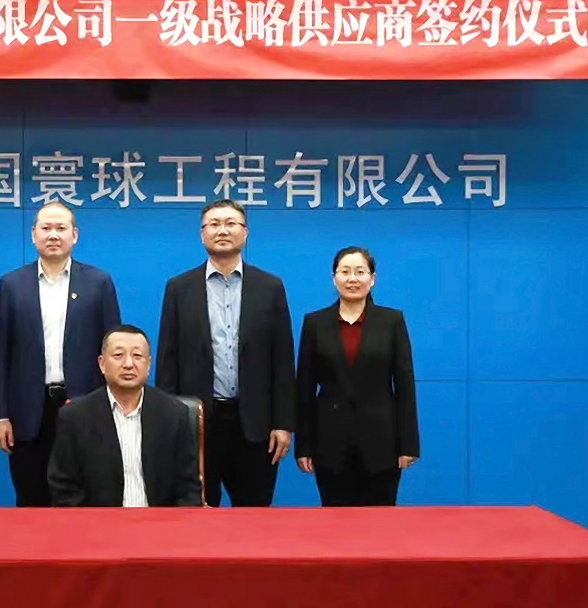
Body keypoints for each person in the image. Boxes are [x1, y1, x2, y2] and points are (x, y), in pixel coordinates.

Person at [156, 199, 295, 507]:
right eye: (214, 224)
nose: (222, 230)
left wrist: (283, 423)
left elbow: (283, 361)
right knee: (197, 516)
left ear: (245, 232)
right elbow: (168, 360)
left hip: (255, 425)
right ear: (202, 234)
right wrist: (169, 423)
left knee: (254, 516)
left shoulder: (270, 287)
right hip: (198, 423)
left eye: (231, 223)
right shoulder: (179, 288)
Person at [0, 201, 121, 506]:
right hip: (27, 413)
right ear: (33, 234)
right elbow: (0, 356)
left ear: (74, 235)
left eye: (61, 228)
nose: (53, 235)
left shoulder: (98, 283)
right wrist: (1, 415)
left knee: (83, 500)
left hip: (84, 407)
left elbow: (114, 351)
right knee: (31, 501)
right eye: (46, 228)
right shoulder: (11, 285)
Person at [295, 246, 420, 507]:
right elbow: (304, 389)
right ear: (334, 278)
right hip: (330, 442)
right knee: (335, 521)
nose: (352, 279)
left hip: (382, 443)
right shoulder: (315, 323)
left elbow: (405, 385)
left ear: (372, 278)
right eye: (345, 272)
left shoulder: (391, 321)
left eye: (360, 272)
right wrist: (303, 446)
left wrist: (408, 444)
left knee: (380, 520)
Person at [48, 324, 202, 507]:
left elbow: (188, 489)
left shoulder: (174, 414)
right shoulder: (75, 417)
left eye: (137, 356)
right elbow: (65, 490)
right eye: (118, 355)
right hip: (98, 523)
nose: (128, 364)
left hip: (161, 522)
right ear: (102, 364)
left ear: (148, 364)